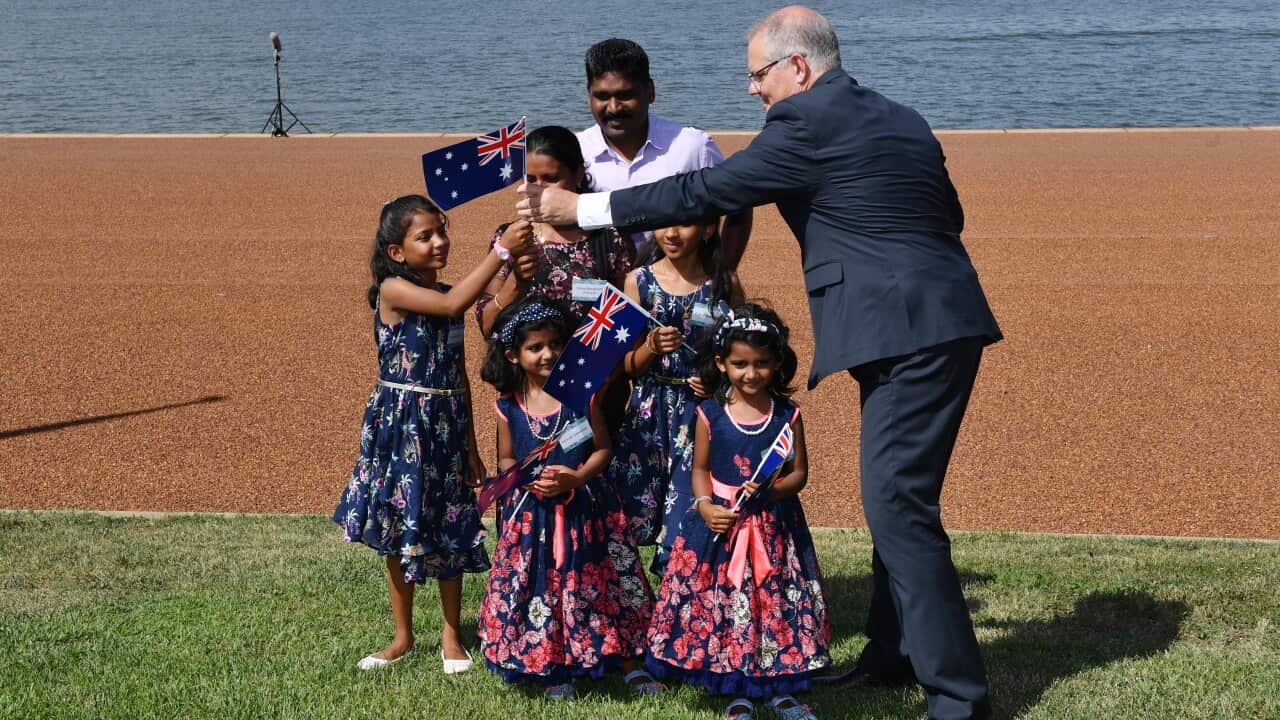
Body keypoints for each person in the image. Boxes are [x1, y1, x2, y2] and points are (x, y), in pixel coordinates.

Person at [518, 8, 1002, 719]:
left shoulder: (805, 123)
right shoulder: (902, 118)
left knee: (897, 504)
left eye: (758, 75)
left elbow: (705, 192)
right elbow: (944, 216)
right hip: (933, 322)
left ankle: (958, 699)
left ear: (798, 68)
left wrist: (583, 208)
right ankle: (892, 653)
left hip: (904, 333)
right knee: (898, 498)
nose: (753, 91)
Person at [333, 194, 534, 672]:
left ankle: (450, 633)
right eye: (425, 236)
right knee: (402, 524)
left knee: (452, 524)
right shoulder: (393, 290)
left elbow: (459, 372)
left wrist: (469, 445)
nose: (439, 241)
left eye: (441, 231)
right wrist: (500, 252)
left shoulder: (450, 293)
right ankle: (403, 636)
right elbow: (450, 303)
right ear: (397, 252)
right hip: (402, 423)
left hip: (445, 423)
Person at [646, 303, 829, 720]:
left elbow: (799, 473)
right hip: (719, 530)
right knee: (725, 606)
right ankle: (736, 690)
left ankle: (780, 688)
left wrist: (771, 491)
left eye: (762, 363)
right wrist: (705, 505)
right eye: (740, 364)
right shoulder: (709, 413)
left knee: (774, 603)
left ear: (778, 363)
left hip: (773, 528)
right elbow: (699, 469)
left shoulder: (787, 415)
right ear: (721, 363)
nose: (751, 373)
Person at [477, 297, 663, 700]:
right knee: (544, 586)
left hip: (589, 511)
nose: (547, 354)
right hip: (534, 518)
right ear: (513, 355)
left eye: (555, 344)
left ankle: (628, 660)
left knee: (604, 584)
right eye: (535, 347)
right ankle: (554, 663)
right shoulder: (508, 407)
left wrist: (576, 476)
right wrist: (525, 478)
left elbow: (602, 449)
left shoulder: (583, 393)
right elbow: (507, 456)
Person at [610, 216, 743, 571]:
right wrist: (651, 347)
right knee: (634, 507)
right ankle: (632, 607)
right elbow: (625, 365)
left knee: (688, 511)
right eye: (664, 224)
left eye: (684, 225)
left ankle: (680, 604)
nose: (671, 233)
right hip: (647, 415)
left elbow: (739, 356)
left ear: (708, 229)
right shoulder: (637, 282)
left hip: (699, 418)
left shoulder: (724, 283)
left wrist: (716, 384)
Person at [578, 38, 753, 266]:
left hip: (677, 292)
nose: (613, 108)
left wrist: (725, 271)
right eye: (601, 96)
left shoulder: (691, 147)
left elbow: (739, 203)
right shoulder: (575, 151)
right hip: (602, 295)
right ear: (588, 95)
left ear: (650, 92)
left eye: (625, 95)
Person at [475, 125, 634, 337]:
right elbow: (487, 325)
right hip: (523, 368)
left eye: (551, 179)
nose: (538, 188)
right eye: (530, 179)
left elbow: (627, 321)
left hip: (586, 365)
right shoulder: (514, 237)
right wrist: (516, 283)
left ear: (578, 175)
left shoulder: (609, 238)